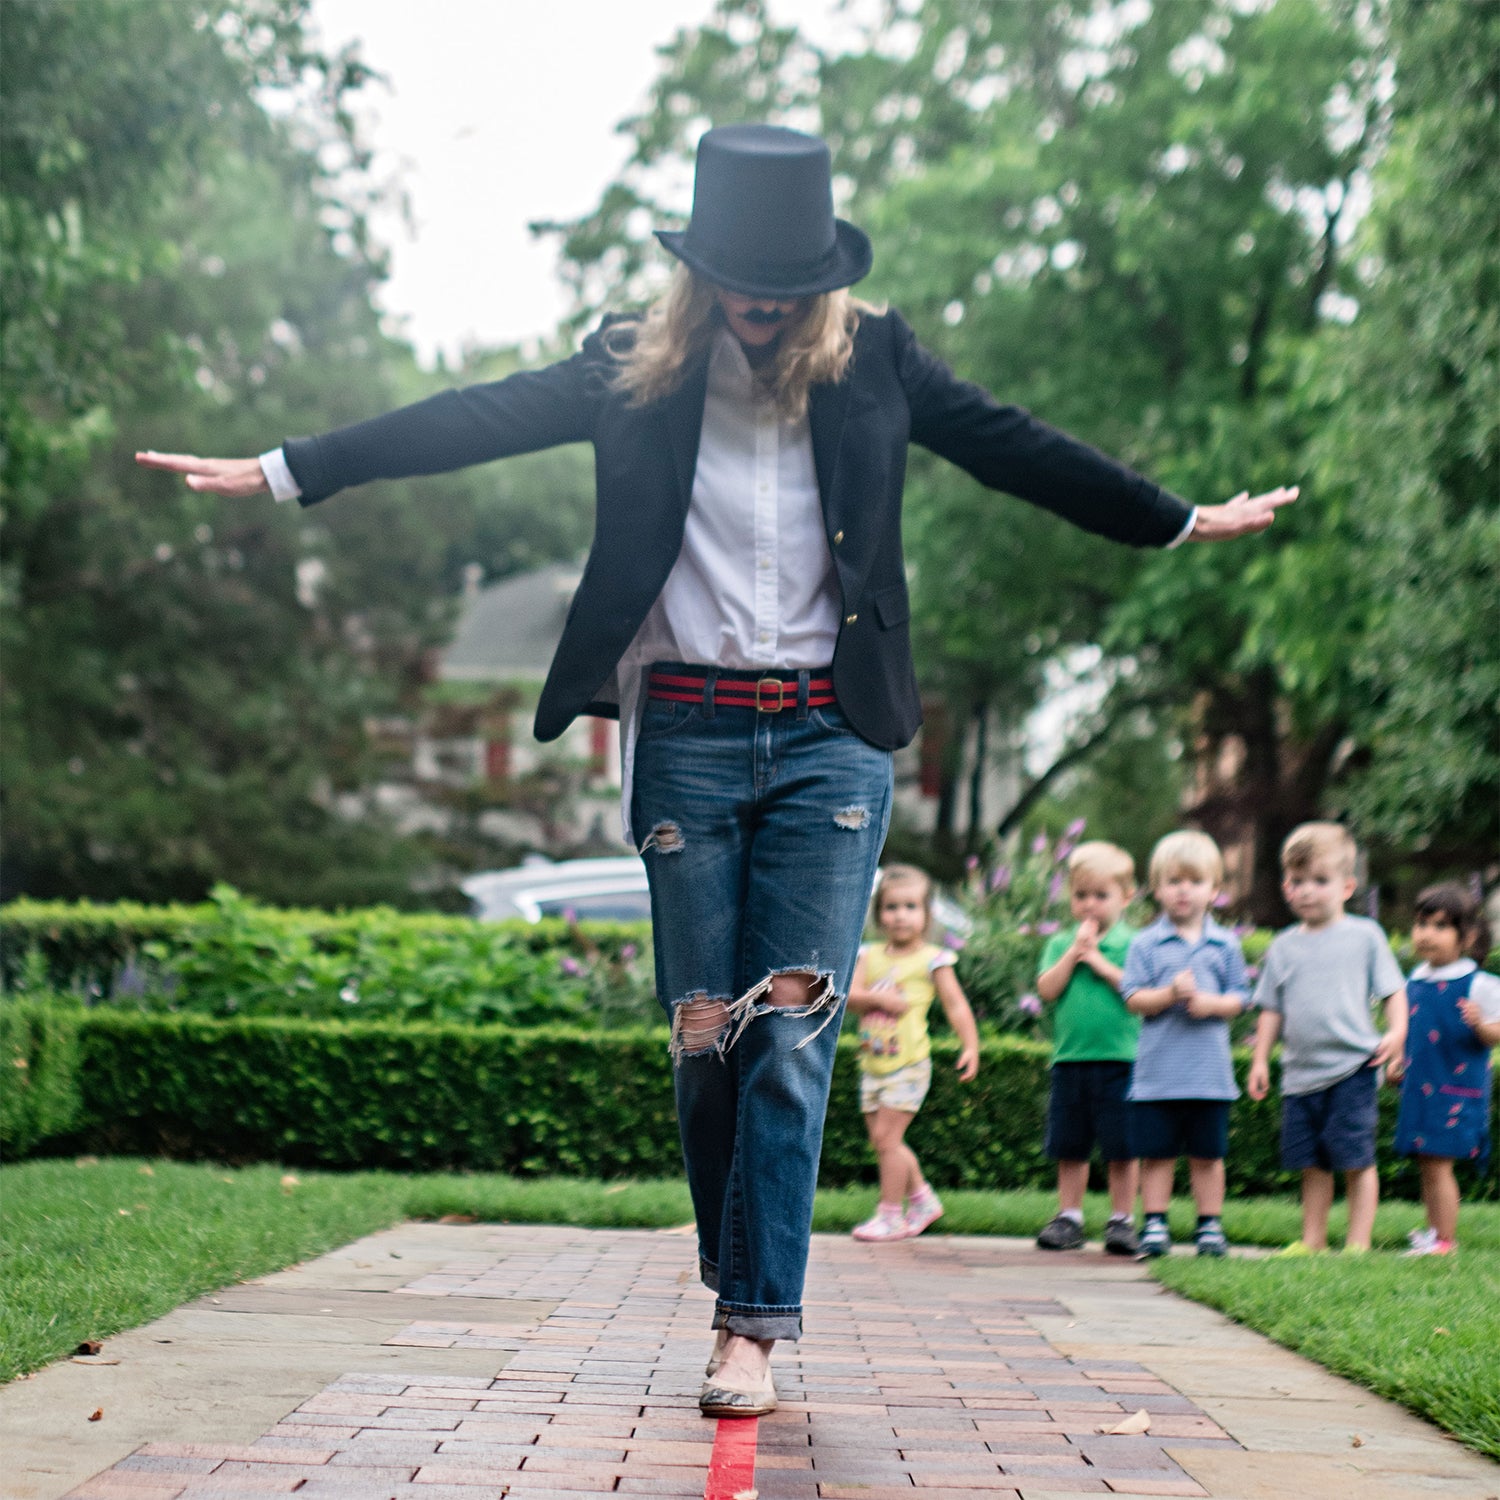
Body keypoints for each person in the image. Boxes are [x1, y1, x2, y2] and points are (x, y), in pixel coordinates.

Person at [136, 123, 1296, 1417]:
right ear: (699, 267)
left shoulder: (877, 360)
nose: (762, 298)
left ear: (821, 279)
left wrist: (1178, 516)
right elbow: (468, 420)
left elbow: (1015, 445)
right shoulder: (631, 367)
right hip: (682, 725)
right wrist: (292, 469)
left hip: (830, 735)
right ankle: (741, 1264)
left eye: (786, 279)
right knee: (707, 1035)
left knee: (791, 1023)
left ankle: (752, 1322)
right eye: (741, 273)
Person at [1247, 823, 1408, 1256]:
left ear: (1347, 886)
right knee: (1311, 1163)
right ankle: (1313, 1239)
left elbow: (1394, 992)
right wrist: (1261, 1059)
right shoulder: (1282, 946)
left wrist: (1396, 1033)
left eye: (1320, 881)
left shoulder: (1364, 936)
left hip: (1353, 1068)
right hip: (1300, 1075)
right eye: (1298, 882)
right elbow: (1270, 1010)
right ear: (1286, 886)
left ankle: (1358, 1242)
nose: (1308, 891)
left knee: (1356, 1159)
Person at [1121, 831, 1251, 1259]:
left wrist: (1211, 1003)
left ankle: (1209, 1223)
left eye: (1194, 882)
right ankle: (1155, 1222)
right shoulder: (1145, 943)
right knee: (1156, 1156)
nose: (1183, 891)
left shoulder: (1225, 944)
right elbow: (1133, 997)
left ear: (1214, 890)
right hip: (1158, 1076)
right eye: (1173, 882)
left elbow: (1240, 998)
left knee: (1208, 1156)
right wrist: (1169, 995)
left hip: (1209, 1077)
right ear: (1157, 889)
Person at [846, 864, 979, 1242]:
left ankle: (890, 1214)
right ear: (879, 914)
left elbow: (956, 1006)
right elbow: (850, 997)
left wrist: (970, 1045)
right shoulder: (869, 955)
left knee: (887, 1141)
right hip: (872, 1063)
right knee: (884, 1142)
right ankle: (921, 1199)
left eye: (910, 907)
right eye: (891, 907)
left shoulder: (934, 959)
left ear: (926, 914)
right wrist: (878, 998)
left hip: (908, 1065)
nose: (900, 915)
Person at [1033, 841, 1142, 1256]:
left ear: (1126, 897)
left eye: (1101, 896)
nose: (1090, 905)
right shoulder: (1061, 943)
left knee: (1122, 1145)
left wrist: (1097, 960)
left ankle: (1121, 1218)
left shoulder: (1134, 943)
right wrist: (1074, 955)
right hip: (1071, 1059)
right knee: (1070, 1144)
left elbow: (1137, 989)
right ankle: (1069, 1216)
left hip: (1122, 1059)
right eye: (1081, 896)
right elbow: (1047, 989)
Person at [1390, 883, 1499, 1257]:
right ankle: (1435, 1233)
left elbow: (1497, 1033)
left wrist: (1481, 1026)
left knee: (1438, 1166)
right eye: (1421, 924)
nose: (1426, 934)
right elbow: (1407, 1035)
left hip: (1454, 1091)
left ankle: (1445, 1241)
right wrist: (1395, 1064)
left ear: (1466, 936)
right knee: (1427, 1165)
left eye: (1439, 926)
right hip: (1420, 1089)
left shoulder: (1479, 984)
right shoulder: (1412, 982)